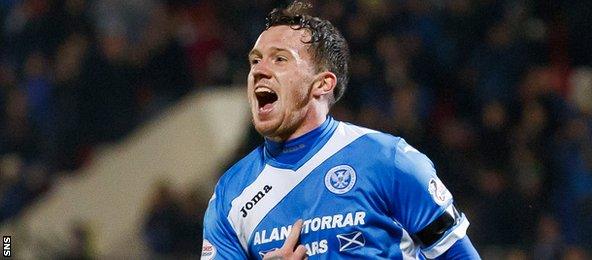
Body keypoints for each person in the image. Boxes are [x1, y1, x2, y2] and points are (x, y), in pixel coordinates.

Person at [202, 2, 480, 259]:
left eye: (279, 59)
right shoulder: (230, 194)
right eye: (255, 60)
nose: (259, 70)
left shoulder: (388, 161)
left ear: (322, 84)